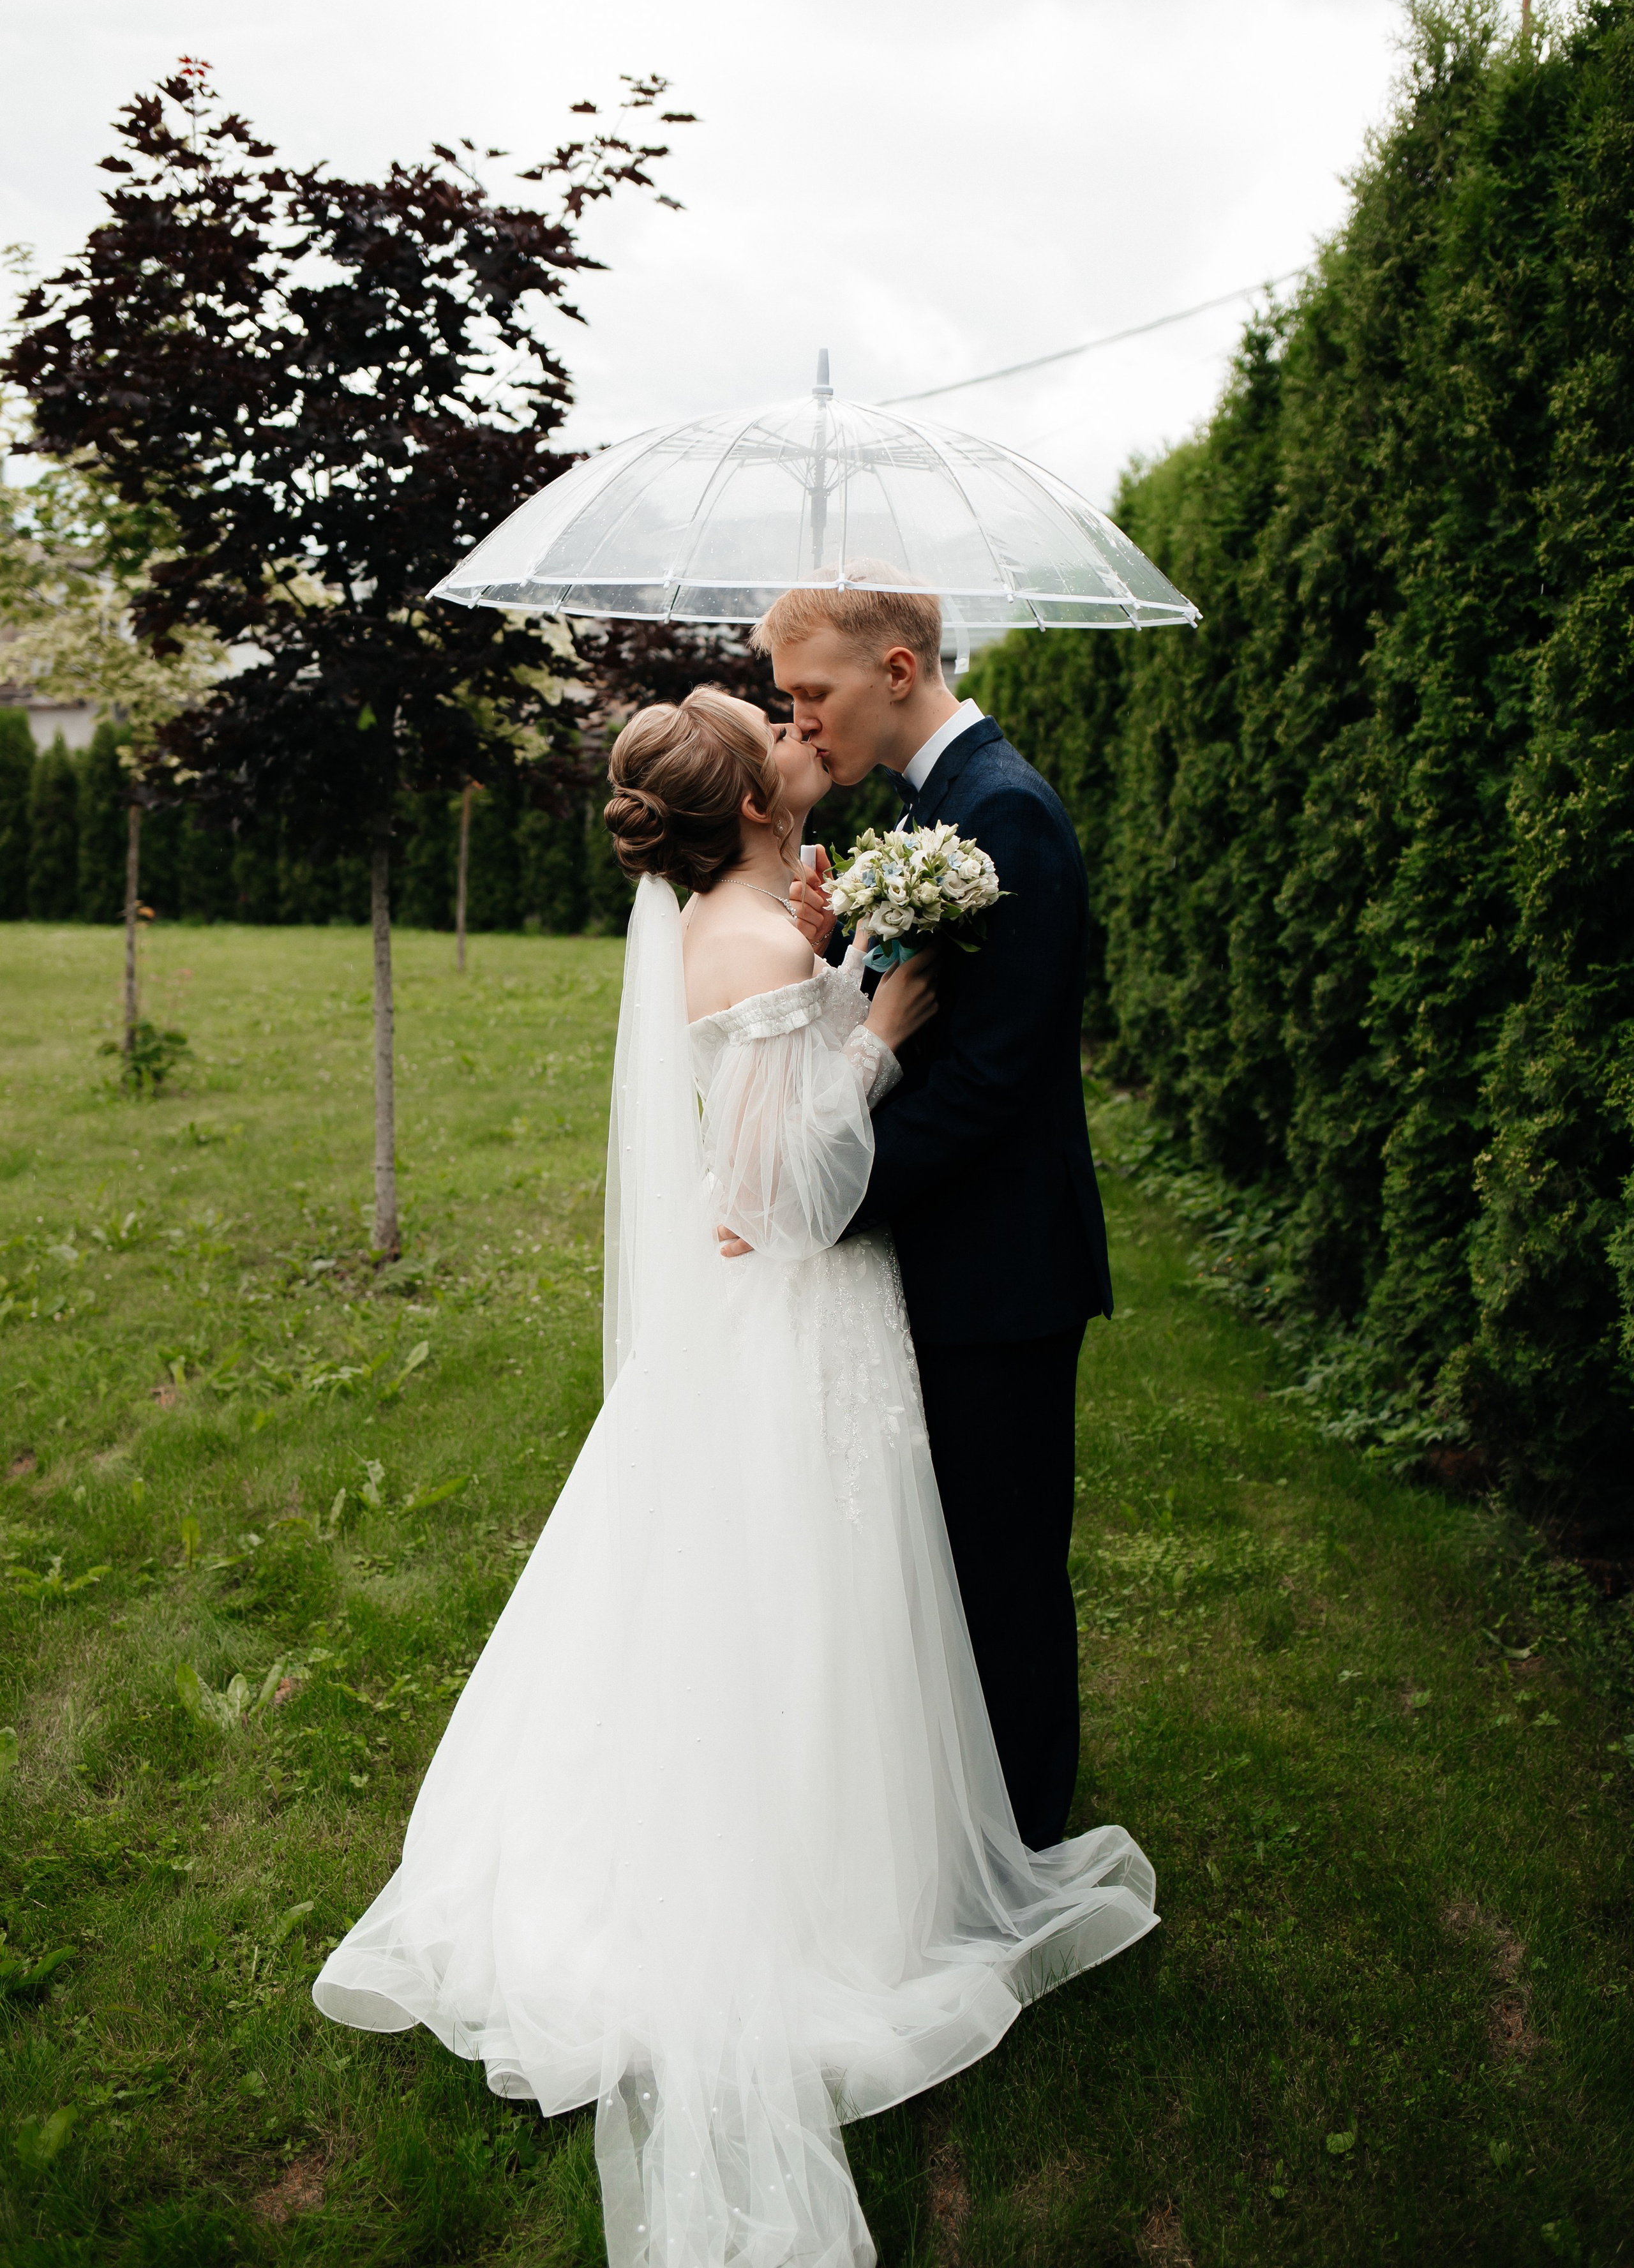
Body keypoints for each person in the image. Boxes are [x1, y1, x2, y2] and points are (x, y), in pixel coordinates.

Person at [313, 684, 1155, 2268]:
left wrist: (837, 966)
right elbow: (786, 1187)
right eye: (771, 740)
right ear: (757, 810)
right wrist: (884, 1033)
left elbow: (760, 1108)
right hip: (796, 1318)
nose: (795, 740)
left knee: (781, 1585)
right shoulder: (753, 944)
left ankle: (837, 1835)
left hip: (768, 1318)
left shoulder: (749, 919)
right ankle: (813, 1885)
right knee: (804, 1582)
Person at [751, 577, 1113, 1852]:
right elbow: (919, 1011)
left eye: (813, 694)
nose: (794, 724)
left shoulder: (1002, 811)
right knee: (953, 1567)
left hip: (1001, 1268)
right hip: (948, 1253)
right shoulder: (933, 808)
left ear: (895, 671)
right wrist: (841, 949)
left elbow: (985, 1081)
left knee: (1003, 1572)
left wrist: (820, 1187)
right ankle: (964, 1827)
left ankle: (1019, 1846)